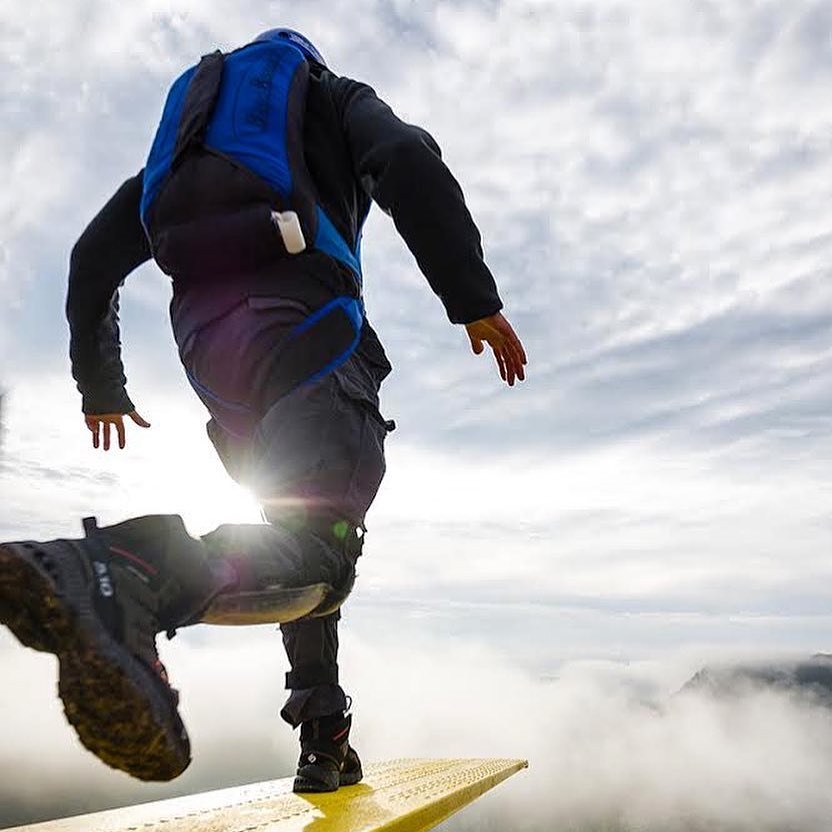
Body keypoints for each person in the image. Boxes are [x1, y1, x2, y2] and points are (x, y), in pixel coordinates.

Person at [0, 28, 527, 792]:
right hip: (309, 339)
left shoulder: (182, 149)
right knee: (321, 555)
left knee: (295, 526)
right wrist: (472, 300)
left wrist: (101, 389)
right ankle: (123, 570)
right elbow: (407, 156)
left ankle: (322, 736)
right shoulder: (331, 96)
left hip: (216, 367)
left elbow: (90, 259)